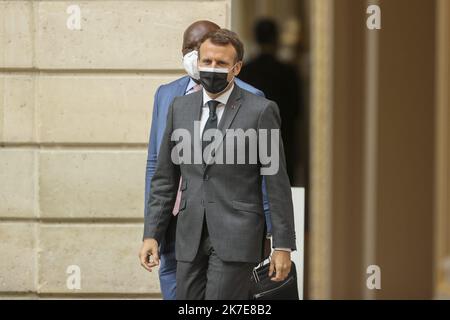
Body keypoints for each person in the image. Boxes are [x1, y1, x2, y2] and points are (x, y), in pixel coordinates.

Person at [140, 29, 296, 300]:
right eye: (207, 61)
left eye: (221, 63)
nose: (212, 68)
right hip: (188, 237)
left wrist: (282, 244)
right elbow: (165, 178)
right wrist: (151, 234)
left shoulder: (261, 110)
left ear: (236, 68)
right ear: (197, 62)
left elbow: (275, 181)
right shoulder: (180, 107)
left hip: (237, 235)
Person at [239, 19, 301, 184]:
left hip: (251, 142)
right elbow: (296, 110)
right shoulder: (288, 72)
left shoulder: (245, 71)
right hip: (283, 140)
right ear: (276, 39)